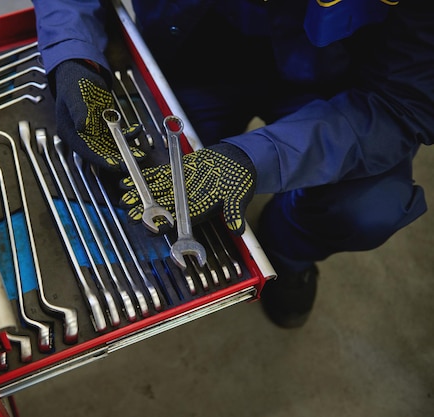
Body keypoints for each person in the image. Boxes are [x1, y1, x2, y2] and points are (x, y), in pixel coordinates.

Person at [31, 0, 434, 328]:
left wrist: (251, 159)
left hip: (337, 87)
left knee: (366, 208)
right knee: (162, 179)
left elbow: (403, 101)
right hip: (194, 51)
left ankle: (285, 249)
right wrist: (73, 55)